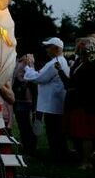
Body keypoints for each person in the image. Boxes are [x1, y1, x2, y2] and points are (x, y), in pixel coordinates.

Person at [24, 37, 70, 159]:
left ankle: (57, 155)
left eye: (49, 47)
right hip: (54, 103)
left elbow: (39, 78)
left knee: (54, 131)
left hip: (51, 104)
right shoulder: (59, 61)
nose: (46, 50)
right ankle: (59, 154)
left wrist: (29, 66)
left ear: (56, 48)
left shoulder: (55, 63)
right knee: (56, 131)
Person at [57, 37, 95, 169]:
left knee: (86, 134)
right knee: (78, 133)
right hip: (76, 102)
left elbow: (76, 85)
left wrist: (62, 74)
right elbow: (70, 83)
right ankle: (84, 159)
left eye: (81, 47)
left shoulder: (89, 65)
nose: (78, 49)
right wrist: (61, 71)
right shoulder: (79, 62)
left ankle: (86, 162)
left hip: (84, 103)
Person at [13, 54, 37, 156]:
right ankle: (26, 146)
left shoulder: (28, 60)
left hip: (26, 97)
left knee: (25, 124)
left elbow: (30, 77)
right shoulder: (19, 61)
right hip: (19, 96)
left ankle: (30, 148)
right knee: (22, 124)